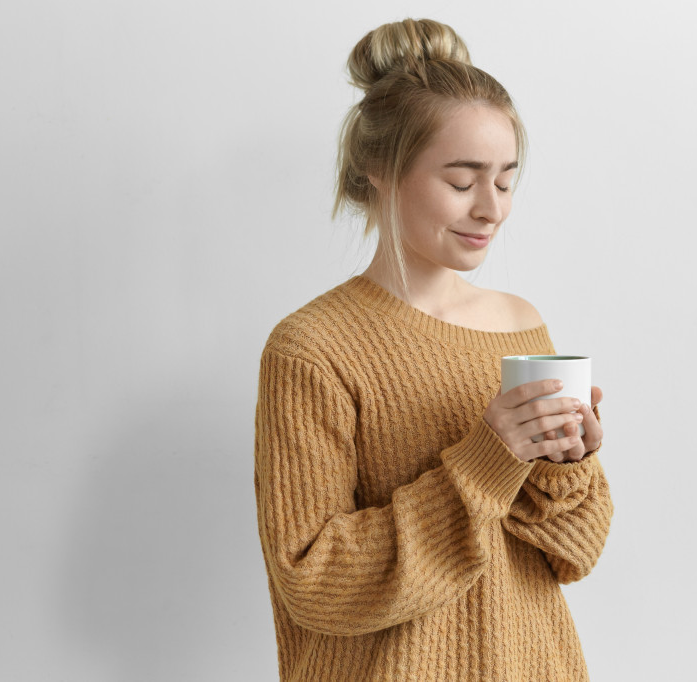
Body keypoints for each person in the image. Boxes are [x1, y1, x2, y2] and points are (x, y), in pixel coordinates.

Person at [254, 18, 613, 681]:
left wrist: (568, 468)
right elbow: (311, 579)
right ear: (379, 170)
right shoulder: (312, 347)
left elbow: (575, 555)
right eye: (462, 180)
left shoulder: (521, 323)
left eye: (506, 180)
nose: (492, 209)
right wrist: (487, 461)